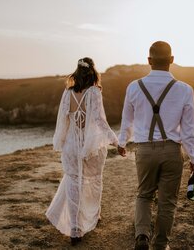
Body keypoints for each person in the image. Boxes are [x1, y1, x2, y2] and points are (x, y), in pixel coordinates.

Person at [118, 41, 194, 250]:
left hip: (144, 150)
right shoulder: (185, 89)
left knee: (144, 195)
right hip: (172, 151)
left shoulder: (134, 87)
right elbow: (189, 130)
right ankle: (160, 245)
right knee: (167, 202)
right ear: (172, 60)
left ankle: (142, 236)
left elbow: (127, 120)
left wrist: (122, 142)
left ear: (149, 61)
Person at [46, 57, 118, 246]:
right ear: (92, 72)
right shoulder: (94, 92)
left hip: (71, 146)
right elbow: (100, 121)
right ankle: (95, 214)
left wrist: (60, 142)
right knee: (94, 180)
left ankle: (76, 230)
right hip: (90, 147)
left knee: (73, 183)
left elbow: (63, 120)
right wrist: (116, 141)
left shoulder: (68, 93)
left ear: (77, 72)